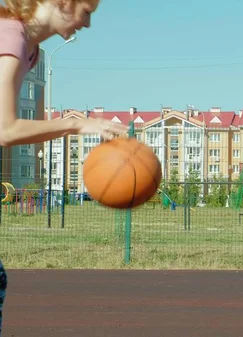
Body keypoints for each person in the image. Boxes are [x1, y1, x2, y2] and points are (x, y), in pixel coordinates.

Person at [0, 1, 128, 334]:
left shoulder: (30, 49)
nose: (86, 23)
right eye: (86, 11)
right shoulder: (10, 34)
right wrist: (76, 125)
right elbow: (5, 129)